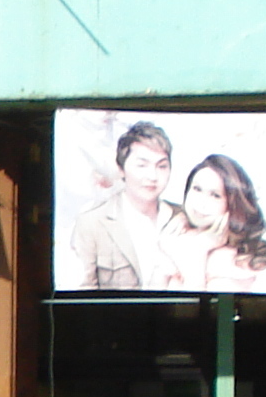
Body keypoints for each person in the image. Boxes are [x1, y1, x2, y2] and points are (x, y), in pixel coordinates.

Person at [68, 120, 190, 290]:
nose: (152, 176)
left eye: (162, 166)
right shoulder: (91, 224)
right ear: (121, 169)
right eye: (142, 165)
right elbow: (82, 294)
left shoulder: (184, 217)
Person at [169, 153, 266, 291]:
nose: (201, 203)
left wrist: (199, 252)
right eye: (197, 189)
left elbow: (197, 309)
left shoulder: (234, 264)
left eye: (215, 195)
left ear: (233, 205)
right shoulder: (174, 236)